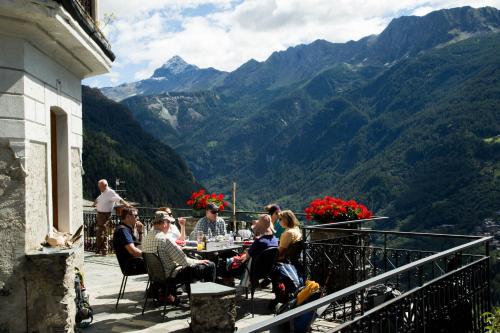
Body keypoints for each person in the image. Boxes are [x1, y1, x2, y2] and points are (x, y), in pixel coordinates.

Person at [143, 211, 216, 292]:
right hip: (171, 275)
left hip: (156, 276)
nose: (170, 226)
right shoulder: (165, 239)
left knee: (191, 267)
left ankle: (193, 295)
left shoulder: (146, 238)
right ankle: (209, 297)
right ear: (164, 223)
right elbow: (184, 261)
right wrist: (199, 261)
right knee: (210, 265)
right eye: (170, 223)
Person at [93, 179, 130, 255]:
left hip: (104, 215)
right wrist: (94, 203)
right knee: (102, 232)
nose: (99, 188)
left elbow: (119, 199)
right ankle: (101, 250)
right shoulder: (103, 192)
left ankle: (102, 250)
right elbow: (99, 198)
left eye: (100, 187)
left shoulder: (110, 192)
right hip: (101, 214)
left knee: (101, 232)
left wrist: (126, 204)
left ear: (105, 186)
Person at [112, 207, 146, 275]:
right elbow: (133, 251)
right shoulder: (123, 230)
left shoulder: (126, 229)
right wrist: (149, 256)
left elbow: (139, 246)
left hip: (135, 262)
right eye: (136, 216)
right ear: (128, 217)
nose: (138, 218)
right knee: (162, 266)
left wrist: (140, 233)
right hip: (132, 266)